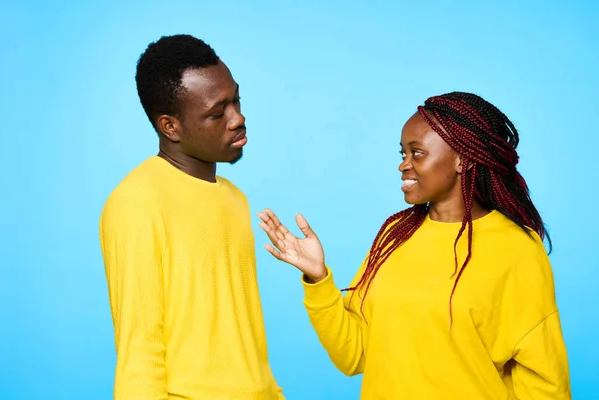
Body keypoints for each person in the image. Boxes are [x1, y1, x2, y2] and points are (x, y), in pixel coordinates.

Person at [257, 92, 570, 399]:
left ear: (463, 159)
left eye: (417, 153)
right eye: (402, 154)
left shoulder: (515, 249)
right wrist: (318, 279)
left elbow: (544, 382)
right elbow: (353, 355)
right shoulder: (396, 234)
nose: (403, 166)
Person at [99, 34, 284, 399]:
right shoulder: (137, 201)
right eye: (218, 113)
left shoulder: (235, 200)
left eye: (237, 101)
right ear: (170, 127)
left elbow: (245, 341)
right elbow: (139, 350)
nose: (238, 119)